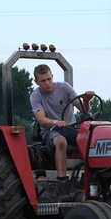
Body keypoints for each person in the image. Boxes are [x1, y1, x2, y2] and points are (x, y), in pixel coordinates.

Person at [30, 64, 94, 195]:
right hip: (50, 131)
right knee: (61, 141)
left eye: (49, 79)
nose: (47, 83)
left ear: (52, 76)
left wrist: (86, 101)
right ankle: (62, 181)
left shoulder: (64, 88)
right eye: (43, 81)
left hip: (70, 128)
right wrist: (56, 122)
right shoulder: (36, 96)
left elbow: (84, 110)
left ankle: (90, 175)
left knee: (91, 140)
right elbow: (41, 119)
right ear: (36, 82)